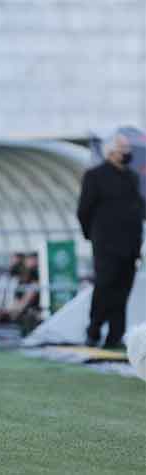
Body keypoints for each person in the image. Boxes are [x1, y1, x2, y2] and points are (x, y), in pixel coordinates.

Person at [78, 133, 145, 349]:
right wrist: (93, 236)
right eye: (123, 150)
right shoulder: (95, 176)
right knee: (104, 288)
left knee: (122, 291)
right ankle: (94, 331)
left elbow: (140, 208)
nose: (127, 154)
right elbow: (84, 211)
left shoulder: (132, 178)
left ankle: (115, 336)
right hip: (106, 245)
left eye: (128, 150)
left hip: (130, 246)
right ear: (110, 152)